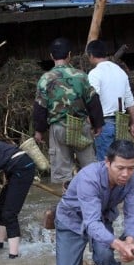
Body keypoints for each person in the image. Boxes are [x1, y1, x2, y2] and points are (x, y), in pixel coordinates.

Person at [39, 139, 134, 265]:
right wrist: (118, 244)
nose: (126, 174)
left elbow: (133, 211)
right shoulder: (89, 178)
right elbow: (91, 223)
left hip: (103, 218)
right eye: (120, 168)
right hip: (71, 220)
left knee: (106, 259)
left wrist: (130, 239)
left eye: (131, 168)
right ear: (107, 162)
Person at [33, 37, 104, 186]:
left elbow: (40, 108)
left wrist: (39, 130)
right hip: (81, 127)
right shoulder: (81, 76)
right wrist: (98, 124)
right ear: (69, 55)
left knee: (62, 172)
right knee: (90, 168)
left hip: (58, 129)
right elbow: (93, 101)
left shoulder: (45, 79)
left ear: (51, 56)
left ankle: (68, 201)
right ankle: (92, 197)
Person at [86, 39, 134, 161]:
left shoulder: (95, 73)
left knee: (105, 163)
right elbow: (129, 100)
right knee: (121, 162)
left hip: (104, 124)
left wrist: (92, 122)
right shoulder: (120, 71)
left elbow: (94, 99)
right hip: (121, 122)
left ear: (91, 55)